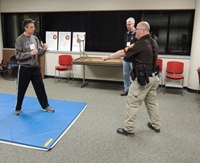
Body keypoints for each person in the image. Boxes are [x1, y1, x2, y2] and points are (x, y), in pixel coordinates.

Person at [102, 21, 161, 136]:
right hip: (154, 78)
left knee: (132, 103)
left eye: (137, 30)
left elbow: (122, 52)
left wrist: (108, 57)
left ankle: (128, 129)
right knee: (152, 103)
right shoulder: (154, 42)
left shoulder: (140, 44)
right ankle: (156, 124)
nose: (135, 33)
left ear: (143, 31)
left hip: (143, 80)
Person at [14, 18, 55, 115]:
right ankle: (18, 107)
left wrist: (44, 49)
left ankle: (45, 106)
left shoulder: (35, 38)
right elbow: (18, 56)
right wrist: (30, 53)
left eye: (34, 27)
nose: (34, 29)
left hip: (35, 68)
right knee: (21, 89)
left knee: (40, 87)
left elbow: (38, 53)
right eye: (31, 27)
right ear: (26, 28)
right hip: (25, 68)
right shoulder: (20, 40)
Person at [121, 17, 138, 96]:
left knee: (135, 76)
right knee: (125, 75)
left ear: (133, 24)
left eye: (129, 24)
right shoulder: (126, 34)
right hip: (126, 59)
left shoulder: (137, 34)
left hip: (134, 59)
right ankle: (126, 89)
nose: (127, 26)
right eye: (126, 24)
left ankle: (135, 91)